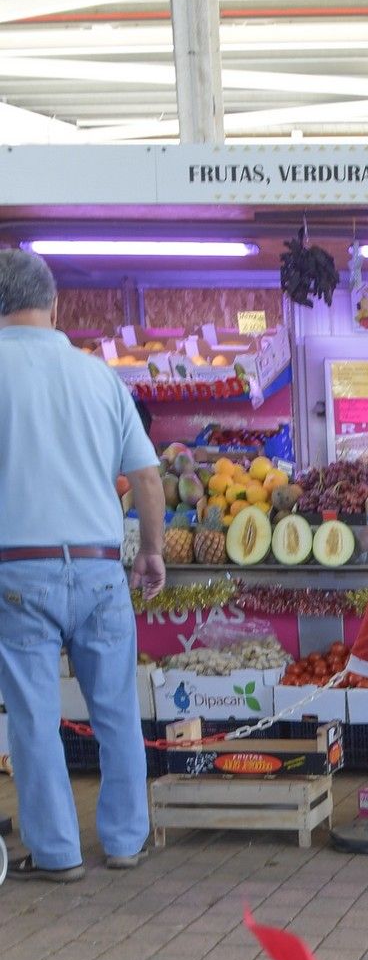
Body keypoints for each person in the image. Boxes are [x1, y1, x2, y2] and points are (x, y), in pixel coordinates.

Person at [0, 249, 164, 882]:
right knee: (117, 710)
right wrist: (149, 551)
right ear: (56, 303)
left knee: (35, 718)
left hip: (17, 571)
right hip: (99, 569)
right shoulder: (100, 377)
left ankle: (59, 853)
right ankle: (126, 841)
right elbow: (147, 478)